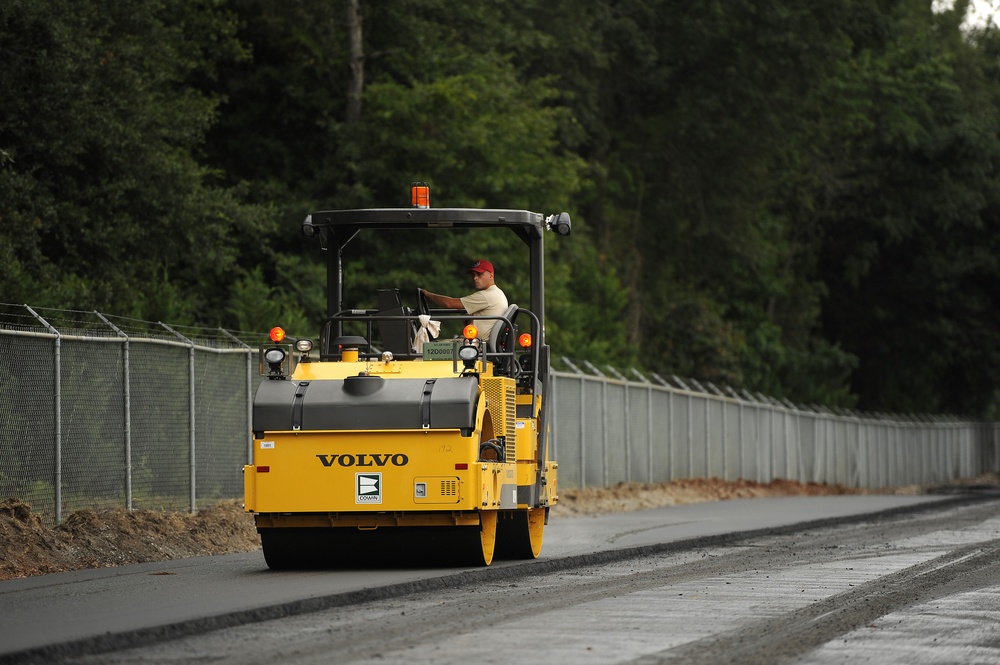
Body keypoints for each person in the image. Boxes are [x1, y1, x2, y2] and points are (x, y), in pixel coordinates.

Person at [421, 259, 508, 340]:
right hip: (477, 344)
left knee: (429, 350)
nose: (475, 278)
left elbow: (449, 303)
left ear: (491, 275)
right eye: (473, 275)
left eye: (479, 274)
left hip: (476, 346)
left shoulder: (486, 295)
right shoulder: (498, 293)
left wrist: (428, 295)